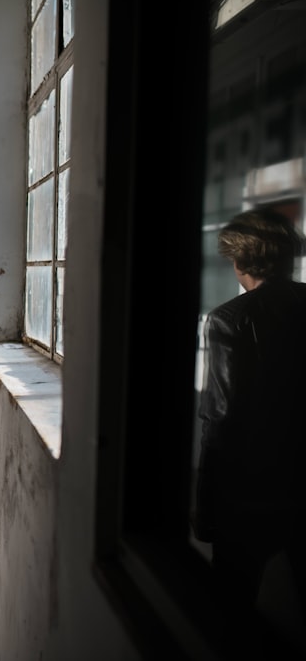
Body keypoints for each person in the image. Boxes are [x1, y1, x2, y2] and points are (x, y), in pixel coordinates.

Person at [193, 207, 306, 650]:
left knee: (231, 614)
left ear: (240, 261)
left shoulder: (228, 319)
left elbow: (218, 418)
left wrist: (205, 508)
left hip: (250, 492)